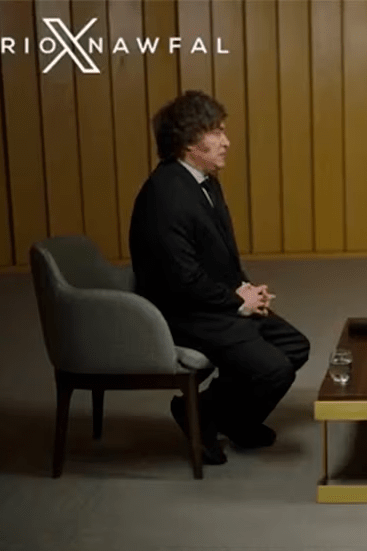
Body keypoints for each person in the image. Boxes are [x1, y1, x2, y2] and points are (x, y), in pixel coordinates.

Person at [129, 90, 310, 465]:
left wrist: (246, 288)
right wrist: (236, 301)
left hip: (211, 301)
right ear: (188, 141)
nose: (226, 141)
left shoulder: (204, 181)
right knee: (273, 369)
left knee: (295, 347)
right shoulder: (165, 196)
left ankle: (227, 418)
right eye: (216, 132)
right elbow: (181, 281)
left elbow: (219, 256)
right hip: (184, 312)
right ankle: (201, 415)